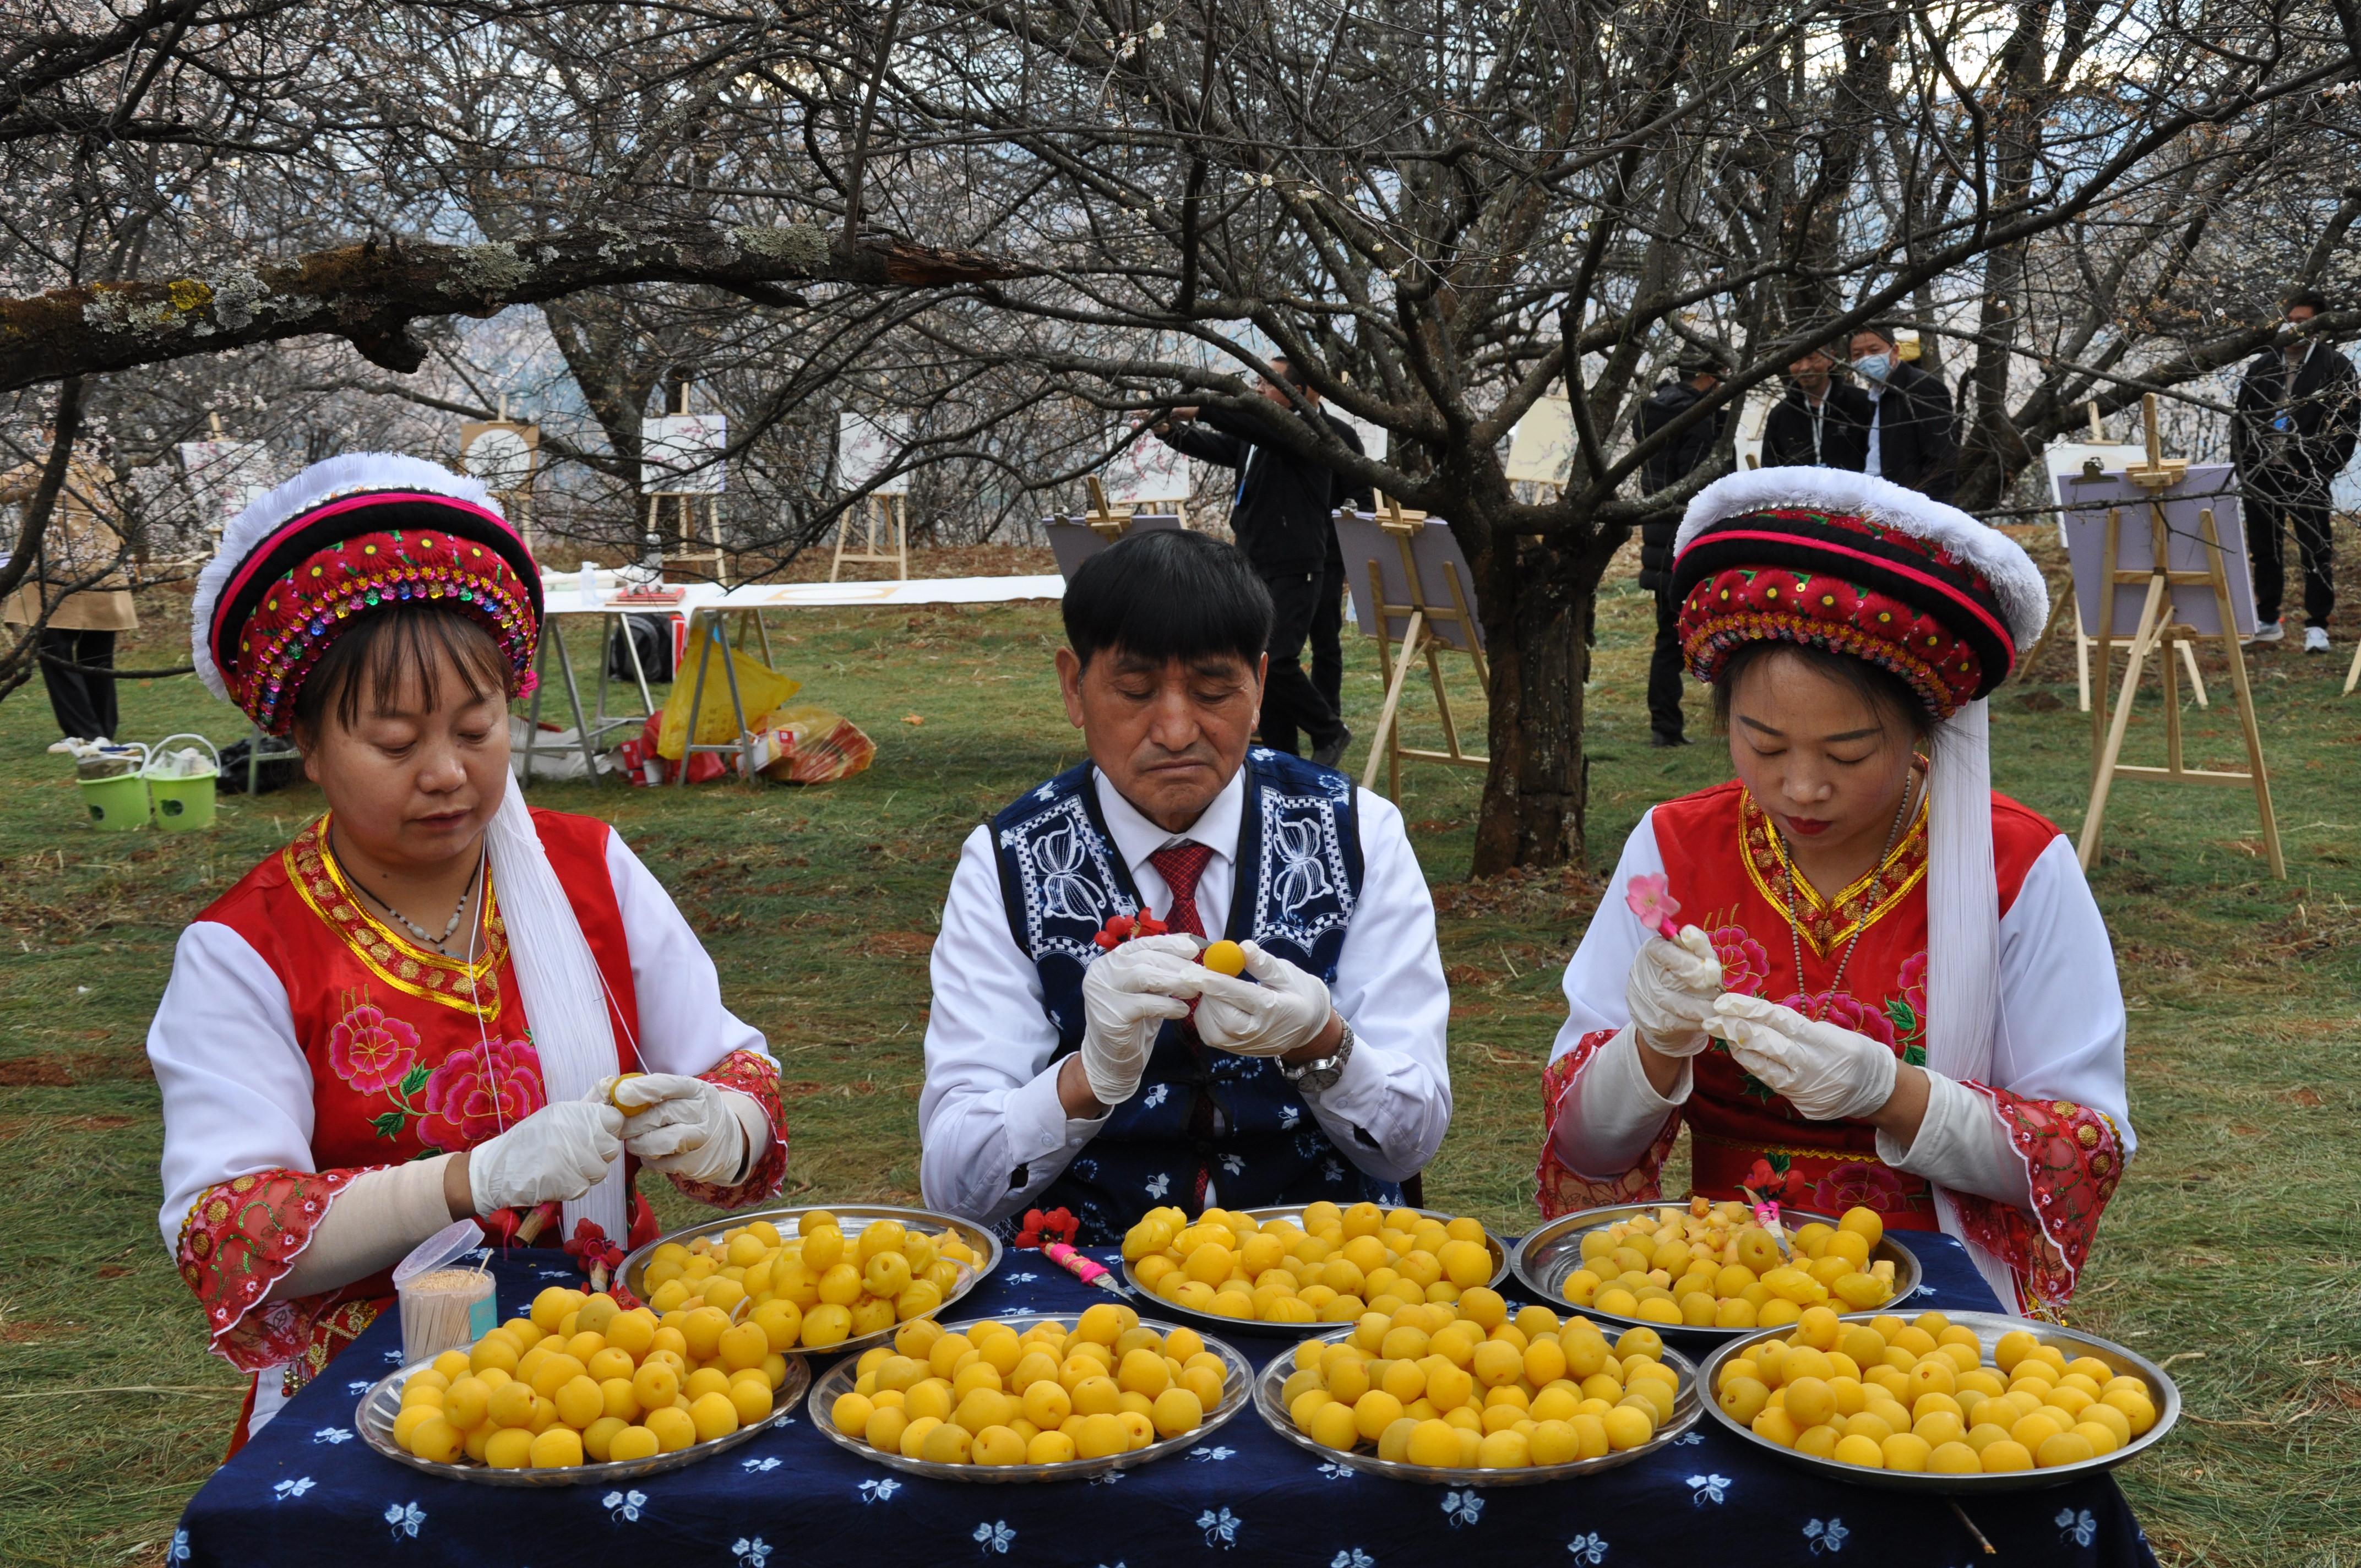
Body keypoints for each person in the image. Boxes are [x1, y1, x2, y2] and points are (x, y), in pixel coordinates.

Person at [148, 454, 788, 1449]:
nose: (448, 773)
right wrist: (468, 1179)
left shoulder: (591, 870)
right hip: (376, 1401)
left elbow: (732, 1073)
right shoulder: (248, 948)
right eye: (396, 744)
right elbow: (229, 1230)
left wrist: (724, 1123)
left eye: (478, 727)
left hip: (615, 1373)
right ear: (308, 747)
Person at [1538, 466, 2132, 1318]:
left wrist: (1890, 1092)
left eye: (1849, 754)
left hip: (1932, 1293)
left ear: (1929, 729)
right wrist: (1655, 1044)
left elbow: (2083, 1147)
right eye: (1764, 745)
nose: (1802, 788)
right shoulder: (1672, 852)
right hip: (1714, 1284)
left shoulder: (2015, 865)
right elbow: (1588, 1146)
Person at [918, 528, 1450, 1243]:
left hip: (1325, 1260)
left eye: (1212, 691)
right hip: (1091, 1282)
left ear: (1260, 686)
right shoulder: (1007, 863)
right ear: (1074, 687)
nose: (1174, 730)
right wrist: (1087, 1080)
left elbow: (1411, 1142)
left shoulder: (1357, 834)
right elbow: (955, 1186)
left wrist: (1321, 1043)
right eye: (1135, 692)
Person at [1147, 359, 1364, 765]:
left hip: (1295, 559)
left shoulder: (1303, 430)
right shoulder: (1260, 433)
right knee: (1260, 660)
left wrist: (1200, 406)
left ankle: (1329, 729)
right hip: (1255, 559)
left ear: (1297, 391)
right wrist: (1169, 432)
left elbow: (1251, 427)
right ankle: (1284, 756)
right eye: (1258, 381)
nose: (1259, 390)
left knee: (1281, 658)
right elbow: (1220, 446)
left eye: (1268, 383)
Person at [2231, 287, 2361, 651]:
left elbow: (2347, 426)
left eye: (2302, 322)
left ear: (2318, 326)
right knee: (2264, 550)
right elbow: (2240, 422)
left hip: (2308, 474)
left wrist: (2323, 469)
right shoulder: (2263, 365)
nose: (2294, 328)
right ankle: (2268, 619)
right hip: (2261, 473)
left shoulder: (2335, 367)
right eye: (2289, 321)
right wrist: (2245, 471)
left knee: (2315, 550)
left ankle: (2317, 625)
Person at [1, 443, 138, 744]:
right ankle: (102, 729)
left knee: (55, 654)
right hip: (106, 577)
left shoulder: (48, 464)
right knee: (98, 658)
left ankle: (83, 733)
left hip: (58, 579)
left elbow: (4, 489)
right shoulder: (104, 469)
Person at [1633, 349, 1732, 747]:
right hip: (1690, 544)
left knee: (1667, 640)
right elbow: (1700, 487)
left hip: (1659, 539)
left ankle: (1665, 727)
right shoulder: (1697, 419)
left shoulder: (1656, 412)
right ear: (1710, 378)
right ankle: (1718, 724)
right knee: (1713, 635)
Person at [1849, 324, 1959, 501]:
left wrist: (1929, 509)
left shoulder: (1920, 387)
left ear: (1895, 351)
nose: (1866, 359)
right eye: (1858, 355)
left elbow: (1942, 459)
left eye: (1874, 350)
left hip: (1910, 507)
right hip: (1876, 502)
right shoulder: (1874, 397)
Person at [1759, 342, 1872, 472]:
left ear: (1830, 358)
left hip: (1854, 490)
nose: (1804, 367)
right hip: (1798, 492)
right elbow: (1770, 468)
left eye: (1811, 358)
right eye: (1797, 360)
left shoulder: (1861, 403)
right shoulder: (1780, 414)